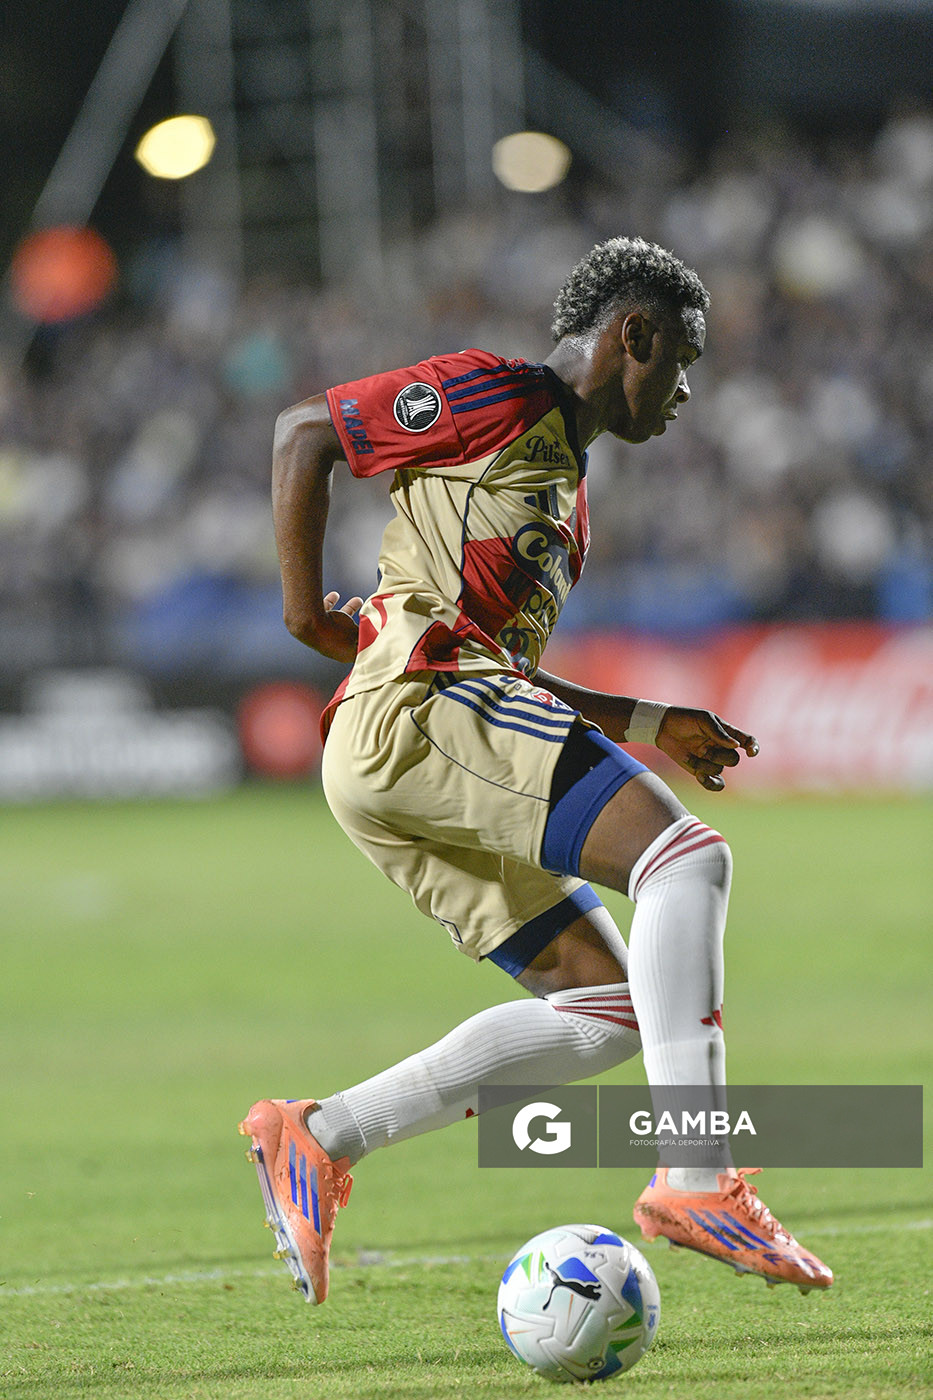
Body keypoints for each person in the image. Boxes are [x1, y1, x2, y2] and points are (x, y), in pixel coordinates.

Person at [239, 236, 833, 1303]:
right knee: (684, 860)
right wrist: (299, 611)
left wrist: (649, 720)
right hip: (414, 710)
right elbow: (303, 433)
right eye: (683, 361)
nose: (687, 391)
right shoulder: (500, 395)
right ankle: (698, 1176)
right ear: (634, 334)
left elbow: (505, 677)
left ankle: (321, 1133)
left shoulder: (566, 488)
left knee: (610, 1008)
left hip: (416, 728)